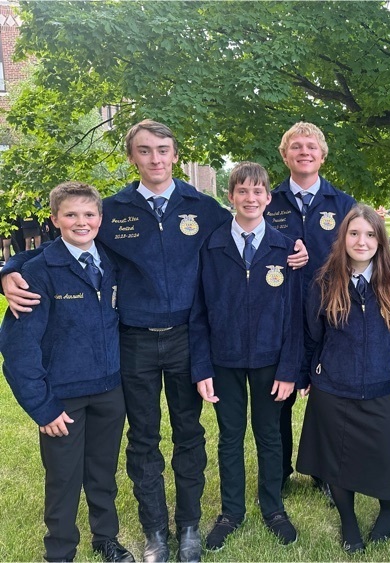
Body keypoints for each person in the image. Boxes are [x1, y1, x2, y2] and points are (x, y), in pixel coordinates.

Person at [0, 120, 310, 562]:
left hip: (187, 339)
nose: (155, 158)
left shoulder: (202, 207)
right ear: (132, 157)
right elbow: (67, 243)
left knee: (189, 434)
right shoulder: (112, 210)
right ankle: (155, 532)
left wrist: (294, 249)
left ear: (176, 155)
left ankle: (189, 527)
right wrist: (9, 270)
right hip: (134, 342)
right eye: (144, 150)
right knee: (144, 438)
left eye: (163, 149)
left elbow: (249, 228)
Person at [0, 182, 134, 562]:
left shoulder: (111, 261)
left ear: (100, 219)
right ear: (54, 219)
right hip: (63, 399)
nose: (81, 222)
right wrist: (43, 407)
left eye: (89, 214)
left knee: (103, 473)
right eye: (71, 214)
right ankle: (60, 550)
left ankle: (105, 538)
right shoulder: (37, 272)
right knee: (63, 477)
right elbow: (18, 348)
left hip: (109, 390)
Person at [296, 204, 390, 554]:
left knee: (386, 459)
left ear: (381, 241)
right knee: (338, 464)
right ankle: (349, 521)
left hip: (380, 389)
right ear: (343, 238)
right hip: (333, 387)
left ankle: (387, 512)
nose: (361, 241)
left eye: (369, 234)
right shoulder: (324, 281)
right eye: (354, 233)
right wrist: (306, 374)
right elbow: (312, 335)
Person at [189, 162, 303, 550]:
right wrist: (202, 366)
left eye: (257, 192)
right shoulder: (212, 246)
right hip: (225, 359)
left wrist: (289, 369)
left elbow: (295, 315)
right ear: (231, 196)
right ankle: (231, 512)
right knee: (230, 436)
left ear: (268, 198)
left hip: (271, 361)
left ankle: (273, 508)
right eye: (242, 191)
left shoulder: (286, 248)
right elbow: (199, 312)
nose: (250, 198)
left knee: (270, 435)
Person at [264, 121, 356, 501]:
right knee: (278, 396)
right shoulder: (268, 201)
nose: (304, 152)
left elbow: (360, 254)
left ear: (322, 155)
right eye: (296, 146)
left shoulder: (343, 204)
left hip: (330, 315)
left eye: (311, 146)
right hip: (279, 316)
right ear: (285, 155)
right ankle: (278, 471)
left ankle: (326, 473)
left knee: (329, 399)